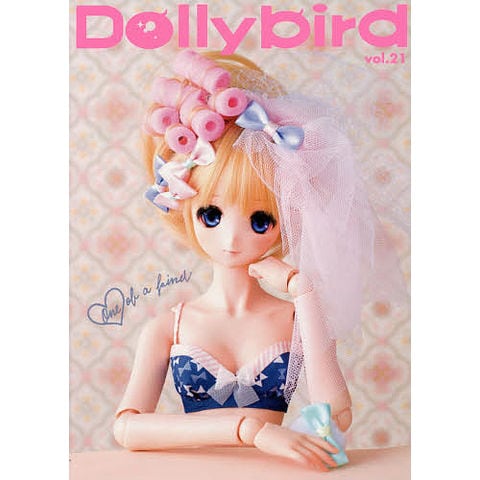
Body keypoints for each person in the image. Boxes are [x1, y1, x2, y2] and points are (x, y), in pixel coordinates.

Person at [114, 50, 399, 472]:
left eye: (260, 220)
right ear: (183, 204)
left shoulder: (295, 319)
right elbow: (127, 428)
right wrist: (249, 430)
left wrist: (304, 292)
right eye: (212, 215)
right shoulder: (169, 327)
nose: (232, 239)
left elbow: (336, 417)